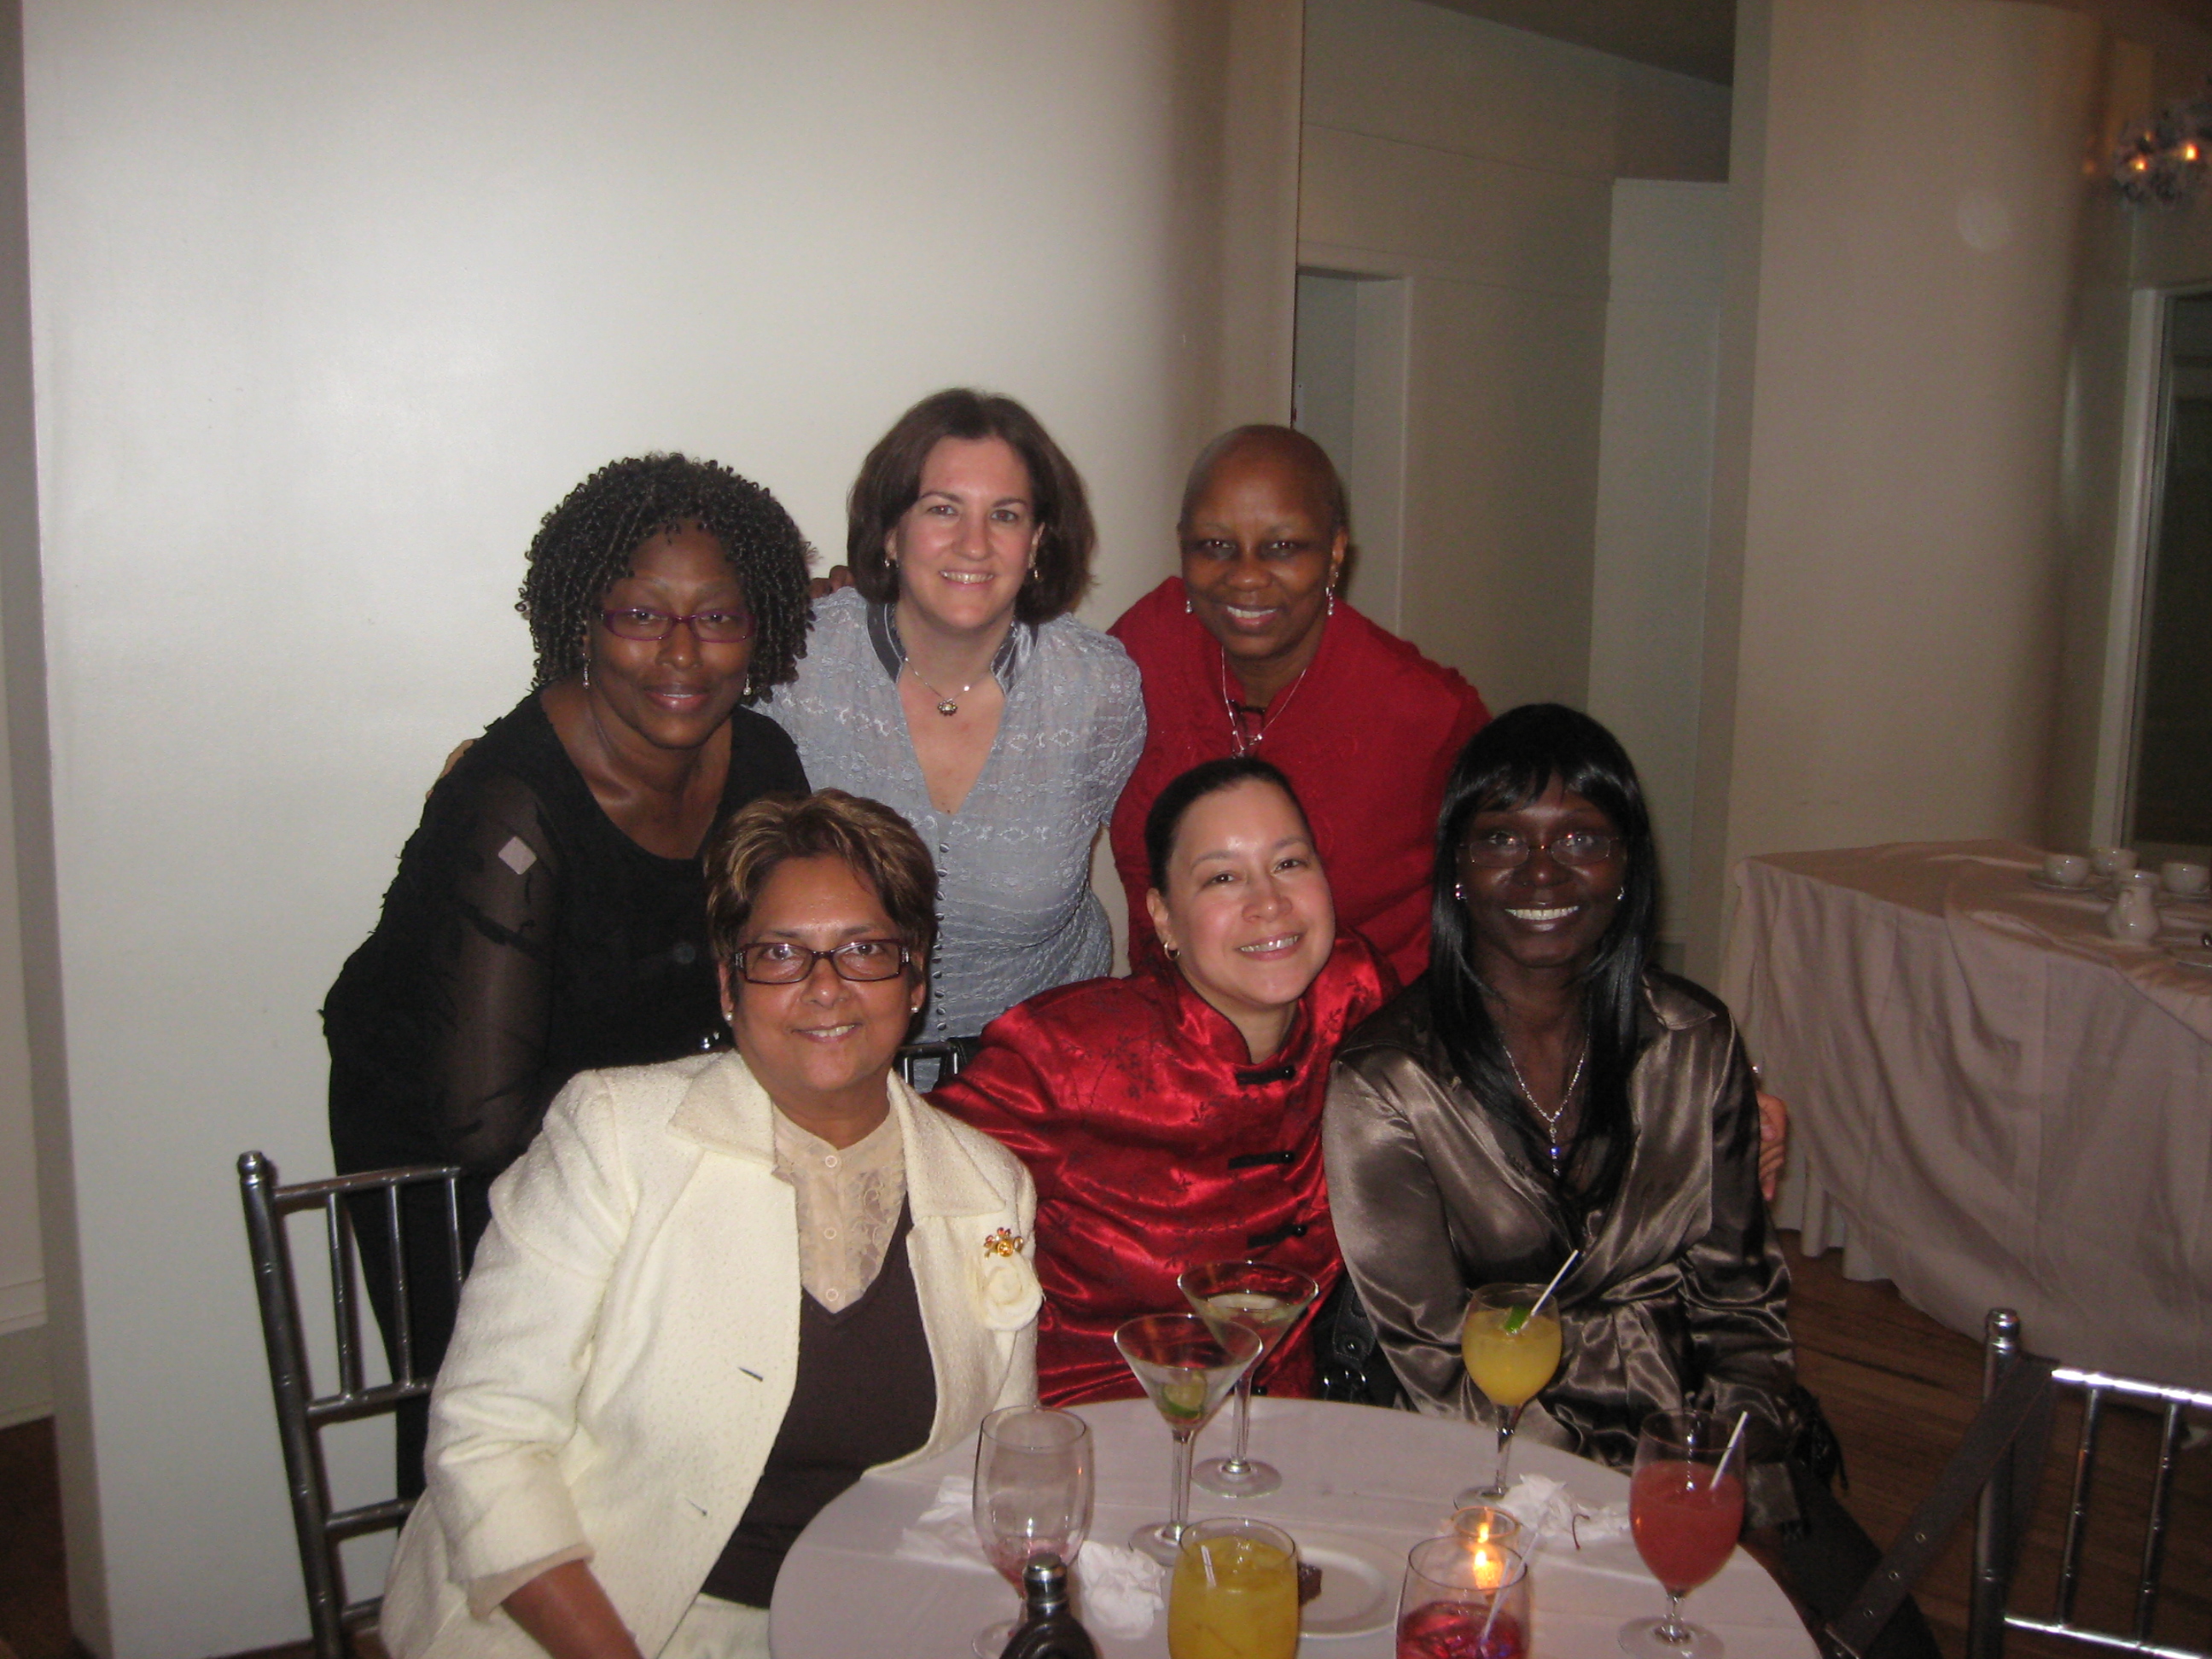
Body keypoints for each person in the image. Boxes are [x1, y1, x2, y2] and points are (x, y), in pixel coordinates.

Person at [1324, 704, 1934, 1656]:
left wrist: (1727, 1490)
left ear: (1627, 866)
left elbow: (1743, 1311)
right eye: (1500, 840)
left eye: (1580, 838)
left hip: (1693, 1442)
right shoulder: (1389, 1079)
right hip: (1490, 1458)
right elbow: (1442, 1365)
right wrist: (1600, 1514)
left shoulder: (1695, 1044)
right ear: (1454, 866)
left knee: (1880, 1642)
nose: (1540, 873)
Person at [378, 791, 1040, 1659]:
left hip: (872, 1620)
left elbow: (1000, 1465)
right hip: (604, 1618)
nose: (827, 986)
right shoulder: (617, 1136)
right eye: (780, 954)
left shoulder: (990, 1185)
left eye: (866, 949)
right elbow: (485, 1443)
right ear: (729, 986)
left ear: (916, 979)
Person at [323, 453, 812, 1494]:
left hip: (630, 1125)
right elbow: (484, 1125)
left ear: (758, 626)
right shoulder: (513, 808)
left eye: (718, 617)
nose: (681, 654)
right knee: (501, 1426)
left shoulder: (764, 762)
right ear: (580, 627)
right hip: (444, 1142)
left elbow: (774, 976)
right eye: (640, 615)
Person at [935, 756, 1394, 1406]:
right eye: (1223, 878)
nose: (1269, 902)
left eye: (1291, 863)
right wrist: (1003, 1272)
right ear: (1164, 917)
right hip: (1097, 1435)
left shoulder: (1357, 993)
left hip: (1284, 1431)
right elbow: (913, 1189)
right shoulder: (1068, 1056)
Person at [765, 390, 1144, 1066]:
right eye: (942, 509)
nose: (974, 544)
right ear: (890, 531)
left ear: (1038, 542)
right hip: (837, 1063)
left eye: (1005, 515)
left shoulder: (1096, 690)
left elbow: (1151, 869)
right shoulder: (797, 669)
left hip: (1043, 1079)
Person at [1109, 425, 1489, 987]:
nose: (1245, 576)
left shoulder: (1427, 715)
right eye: (1214, 546)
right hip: (1175, 1031)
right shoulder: (1142, 652)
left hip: (1365, 1047)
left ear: (1336, 548)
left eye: (1283, 547)